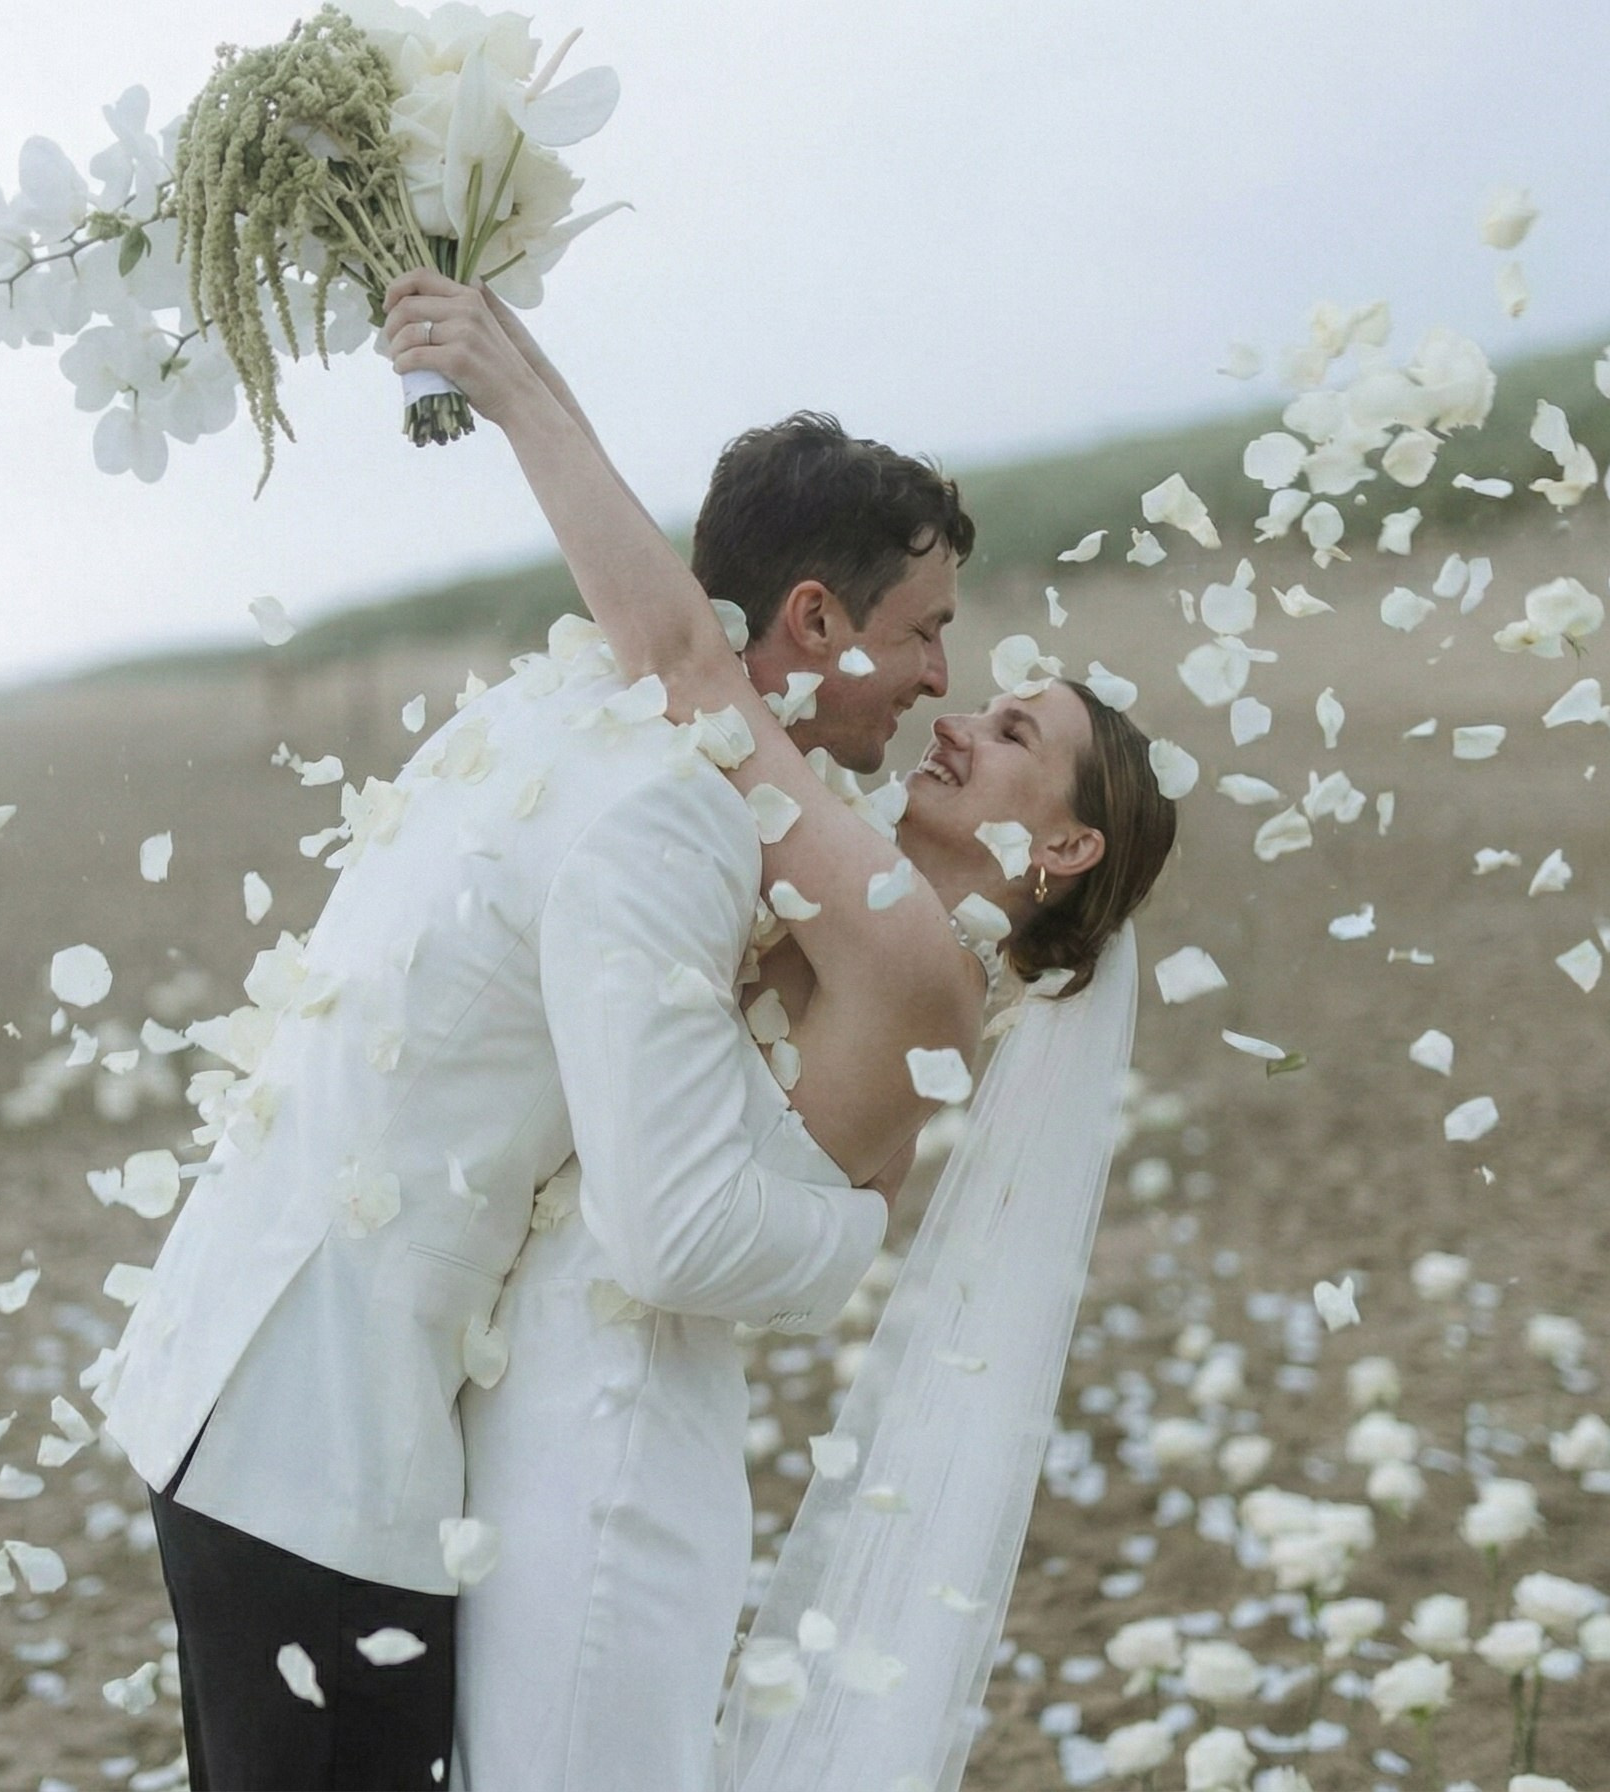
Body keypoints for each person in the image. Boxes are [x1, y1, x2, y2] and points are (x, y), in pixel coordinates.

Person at [88, 358, 971, 1787]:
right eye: (928, 629)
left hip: (240, 1370)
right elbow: (670, 1226)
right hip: (322, 1438)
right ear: (815, 618)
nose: (943, 676)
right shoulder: (677, 817)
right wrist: (866, 1212)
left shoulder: (571, 707)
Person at [379, 273, 1176, 1789]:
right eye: (968, 683)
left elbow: (691, 669)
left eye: (1014, 737)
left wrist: (520, 386)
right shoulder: (859, 886)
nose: (956, 710)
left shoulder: (913, 955)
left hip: (613, 1446)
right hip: (563, 1404)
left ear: (1062, 853)